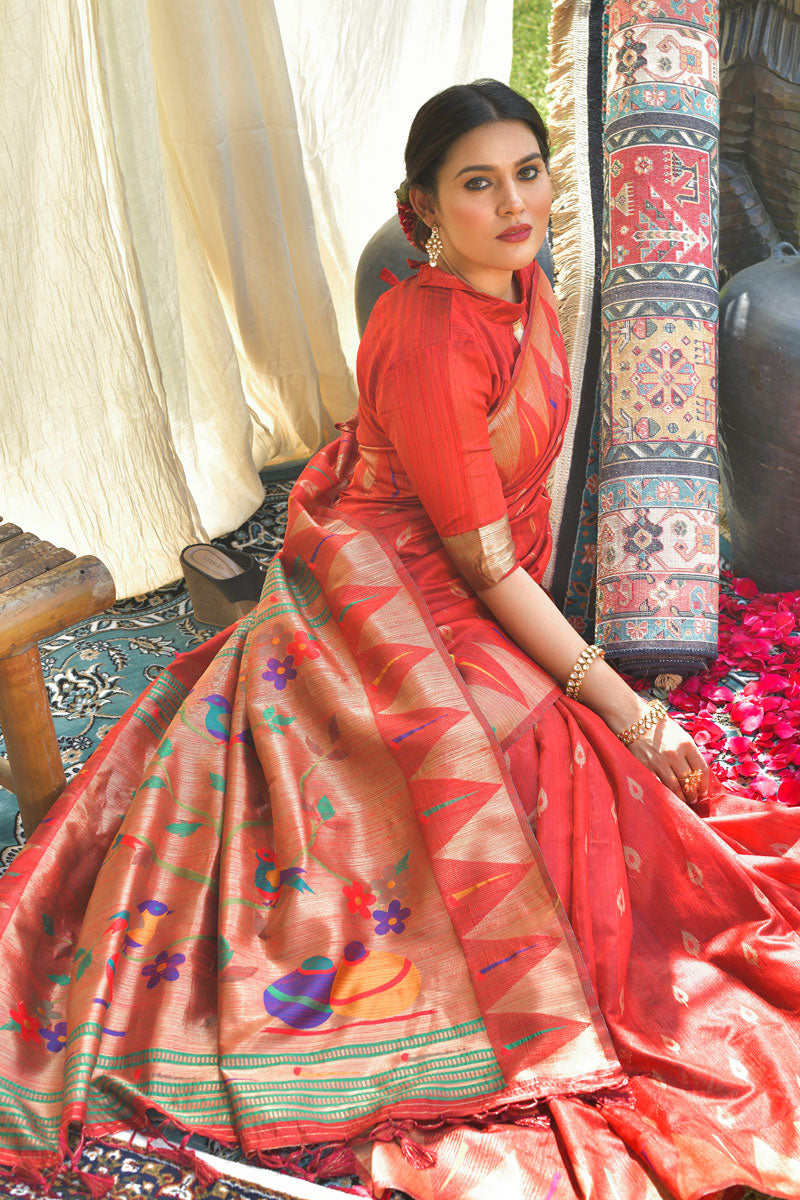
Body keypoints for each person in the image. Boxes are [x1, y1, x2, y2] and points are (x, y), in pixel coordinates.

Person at [0, 80, 799, 1200]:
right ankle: (473, 997)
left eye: (526, 172)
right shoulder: (428, 332)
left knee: (566, 748)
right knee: (528, 744)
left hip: (468, 575)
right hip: (391, 586)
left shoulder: (522, 289)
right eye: (476, 183)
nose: (512, 202)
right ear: (419, 207)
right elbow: (477, 562)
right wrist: (621, 699)